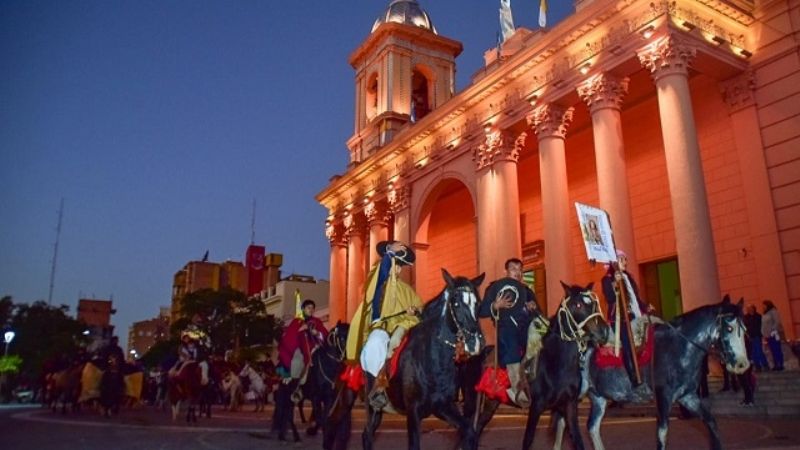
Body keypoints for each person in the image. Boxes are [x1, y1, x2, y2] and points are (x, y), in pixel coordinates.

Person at [344, 240, 422, 408]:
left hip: (404, 327)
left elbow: (419, 308)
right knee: (375, 344)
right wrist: (389, 253)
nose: (398, 268)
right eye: (396, 263)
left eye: (400, 265)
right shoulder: (378, 280)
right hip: (382, 328)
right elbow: (382, 273)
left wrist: (414, 311)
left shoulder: (407, 289)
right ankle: (376, 388)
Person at [478, 257, 539, 407]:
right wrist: (495, 305)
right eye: (513, 269)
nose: (517, 273)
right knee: (511, 344)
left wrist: (532, 307)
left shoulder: (527, 291)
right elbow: (482, 311)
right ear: (505, 271)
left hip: (526, 330)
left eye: (520, 270)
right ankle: (517, 390)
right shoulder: (495, 288)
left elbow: (537, 313)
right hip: (506, 330)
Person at [601, 249, 653, 401]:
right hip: (619, 319)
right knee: (628, 344)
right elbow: (610, 299)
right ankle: (634, 381)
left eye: (625, 259)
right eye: (623, 259)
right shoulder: (607, 279)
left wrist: (645, 307)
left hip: (634, 316)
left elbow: (634, 297)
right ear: (615, 262)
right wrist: (615, 284)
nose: (626, 262)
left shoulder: (628, 277)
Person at [277, 299, 328, 381]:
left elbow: (325, 334)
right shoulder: (297, 321)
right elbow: (290, 336)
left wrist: (317, 333)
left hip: (316, 347)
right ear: (303, 309)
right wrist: (301, 328)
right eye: (308, 308)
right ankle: (294, 382)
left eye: (312, 308)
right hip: (301, 348)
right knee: (297, 360)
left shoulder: (317, 321)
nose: (311, 310)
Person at [743, 305, 769, 371]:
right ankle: (757, 366)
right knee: (753, 352)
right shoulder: (746, 317)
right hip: (749, 337)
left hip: (756, 336)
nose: (749, 310)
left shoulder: (758, 317)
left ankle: (765, 364)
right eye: (748, 309)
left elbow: (759, 326)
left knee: (759, 350)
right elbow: (745, 327)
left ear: (753, 309)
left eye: (750, 309)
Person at [761, 300, 785, 371]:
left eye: (764, 305)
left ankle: (780, 364)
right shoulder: (765, 313)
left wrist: (773, 330)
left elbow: (777, 322)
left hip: (774, 334)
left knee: (777, 349)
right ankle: (775, 364)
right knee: (772, 350)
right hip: (767, 335)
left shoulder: (773, 312)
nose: (763, 307)